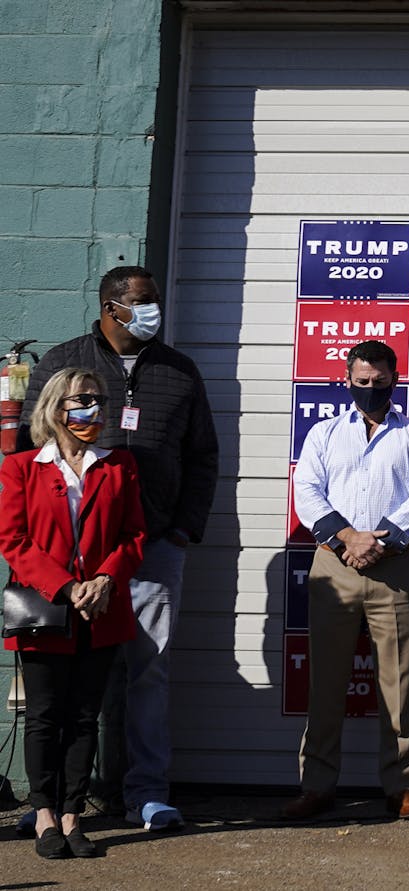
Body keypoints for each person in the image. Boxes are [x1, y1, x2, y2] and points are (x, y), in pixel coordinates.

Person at [17, 265, 218, 833]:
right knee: (68, 683)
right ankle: (54, 801)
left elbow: (203, 455)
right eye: (145, 301)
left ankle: (147, 794)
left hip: (149, 548)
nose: (155, 309)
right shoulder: (62, 361)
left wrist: (182, 529)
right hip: (68, 562)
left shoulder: (179, 371)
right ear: (113, 306)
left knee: (148, 672)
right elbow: (27, 448)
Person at [284, 340, 409, 821]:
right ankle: (317, 787)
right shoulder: (325, 434)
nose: (369, 388)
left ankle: (402, 788)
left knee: (399, 683)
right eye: (361, 381)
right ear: (347, 379)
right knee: (326, 683)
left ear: (395, 379)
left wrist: (380, 541)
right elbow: (306, 490)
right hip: (334, 566)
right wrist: (347, 537)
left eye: (379, 381)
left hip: (393, 567)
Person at [2, 369, 146, 858]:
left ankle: (71, 815)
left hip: (101, 607)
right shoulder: (21, 467)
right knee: (45, 715)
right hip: (46, 608)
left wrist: (104, 579)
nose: (94, 409)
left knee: (85, 716)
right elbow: (13, 540)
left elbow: (134, 535)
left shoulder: (119, 464)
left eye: (98, 400)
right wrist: (66, 586)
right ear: (55, 407)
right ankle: (43, 814)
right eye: (82, 400)